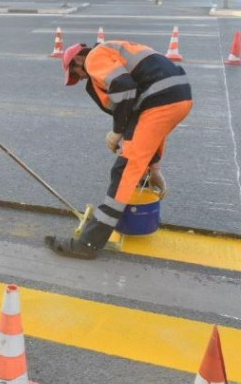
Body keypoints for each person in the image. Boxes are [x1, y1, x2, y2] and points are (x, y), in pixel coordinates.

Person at [45, 41, 192, 259]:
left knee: (123, 172)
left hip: (159, 100)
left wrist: (117, 130)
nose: (82, 78)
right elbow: (152, 129)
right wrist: (155, 168)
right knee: (136, 161)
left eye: (76, 73)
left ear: (78, 59)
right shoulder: (116, 50)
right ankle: (134, 217)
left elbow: (124, 87)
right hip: (180, 98)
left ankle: (88, 244)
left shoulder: (95, 56)